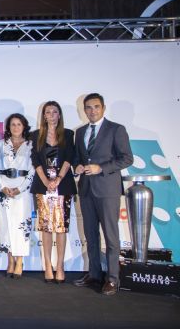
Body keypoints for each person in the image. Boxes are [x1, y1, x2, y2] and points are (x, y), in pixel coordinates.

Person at [73, 93, 133, 296]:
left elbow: (127, 159)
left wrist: (101, 168)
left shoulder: (116, 129)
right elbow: (77, 158)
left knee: (111, 236)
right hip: (86, 189)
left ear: (103, 108)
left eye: (96, 107)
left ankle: (113, 278)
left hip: (107, 190)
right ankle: (95, 274)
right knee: (90, 235)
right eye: (88, 107)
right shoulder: (80, 132)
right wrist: (78, 167)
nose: (92, 111)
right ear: (84, 110)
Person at [30, 101, 77, 283]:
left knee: (61, 228)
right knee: (46, 228)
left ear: (59, 115)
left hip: (63, 185)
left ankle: (60, 266)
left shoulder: (68, 134)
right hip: (43, 187)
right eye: (48, 112)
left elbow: (69, 157)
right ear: (44, 116)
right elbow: (35, 159)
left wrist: (58, 179)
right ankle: (48, 265)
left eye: (54, 111)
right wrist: (46, 181)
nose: (51, 114)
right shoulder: (35, 135)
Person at [0, 113, 34, 279]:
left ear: (24, 126)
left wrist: (20, 188)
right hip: (3, 190)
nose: (16, 127)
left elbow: (33, 171)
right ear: (8, 128)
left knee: (21, 226)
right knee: (5, 226)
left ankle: (19, 261)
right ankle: (10, 260)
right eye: (12, 124)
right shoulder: (0, 145)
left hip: (22, 191)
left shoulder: (32, 145)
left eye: (19, 124)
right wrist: (2, 187)